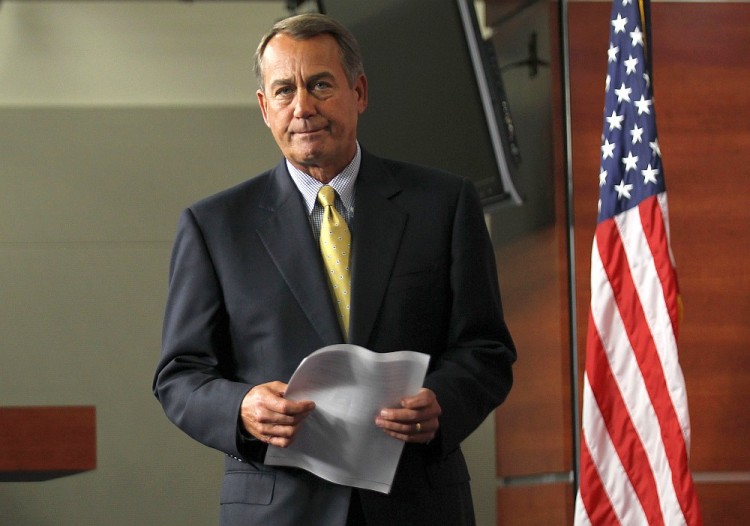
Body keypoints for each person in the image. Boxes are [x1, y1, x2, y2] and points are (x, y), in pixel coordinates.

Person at [153, 12, 516, 526]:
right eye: (284, 91)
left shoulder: (443, 204)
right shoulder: (214, 226)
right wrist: (241, 408)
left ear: (359, 92)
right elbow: (180, 376)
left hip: (417, 504)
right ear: (264, 107)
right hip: (279, 508)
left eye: (320, 85)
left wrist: (444, 403)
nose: (302, 108)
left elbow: (486, 349)